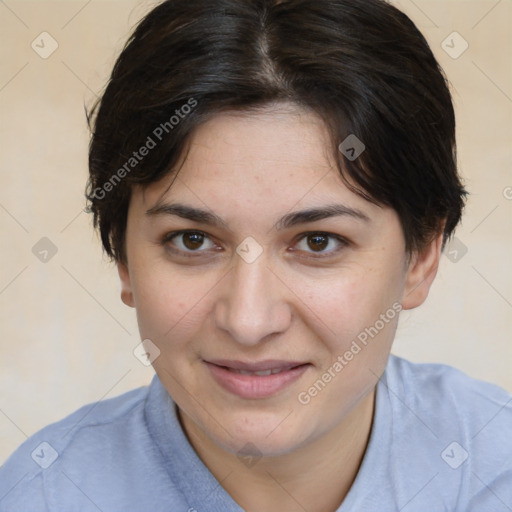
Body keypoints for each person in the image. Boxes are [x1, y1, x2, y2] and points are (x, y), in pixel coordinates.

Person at [1, 0, 511, 510]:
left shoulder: (494, 469)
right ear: (124, 260)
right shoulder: (42, 493)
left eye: (318, 242)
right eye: (192, 240)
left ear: (421, 257)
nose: (248, 322)